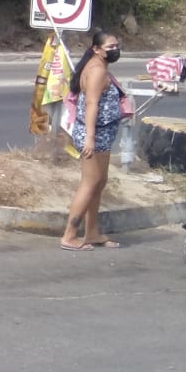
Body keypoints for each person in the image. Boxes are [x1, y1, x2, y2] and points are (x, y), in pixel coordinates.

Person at [60, 29, 127, 250]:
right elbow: (91, 104)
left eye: (117, 46)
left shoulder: (96, 67)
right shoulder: (97, 70)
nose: (115, 50)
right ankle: (69, 235)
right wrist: (90, 137)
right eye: (110, 47)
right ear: (96, 50)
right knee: (90, 184)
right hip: (94, 135)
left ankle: (92, 232)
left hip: (101, 134)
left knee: (99, 182)